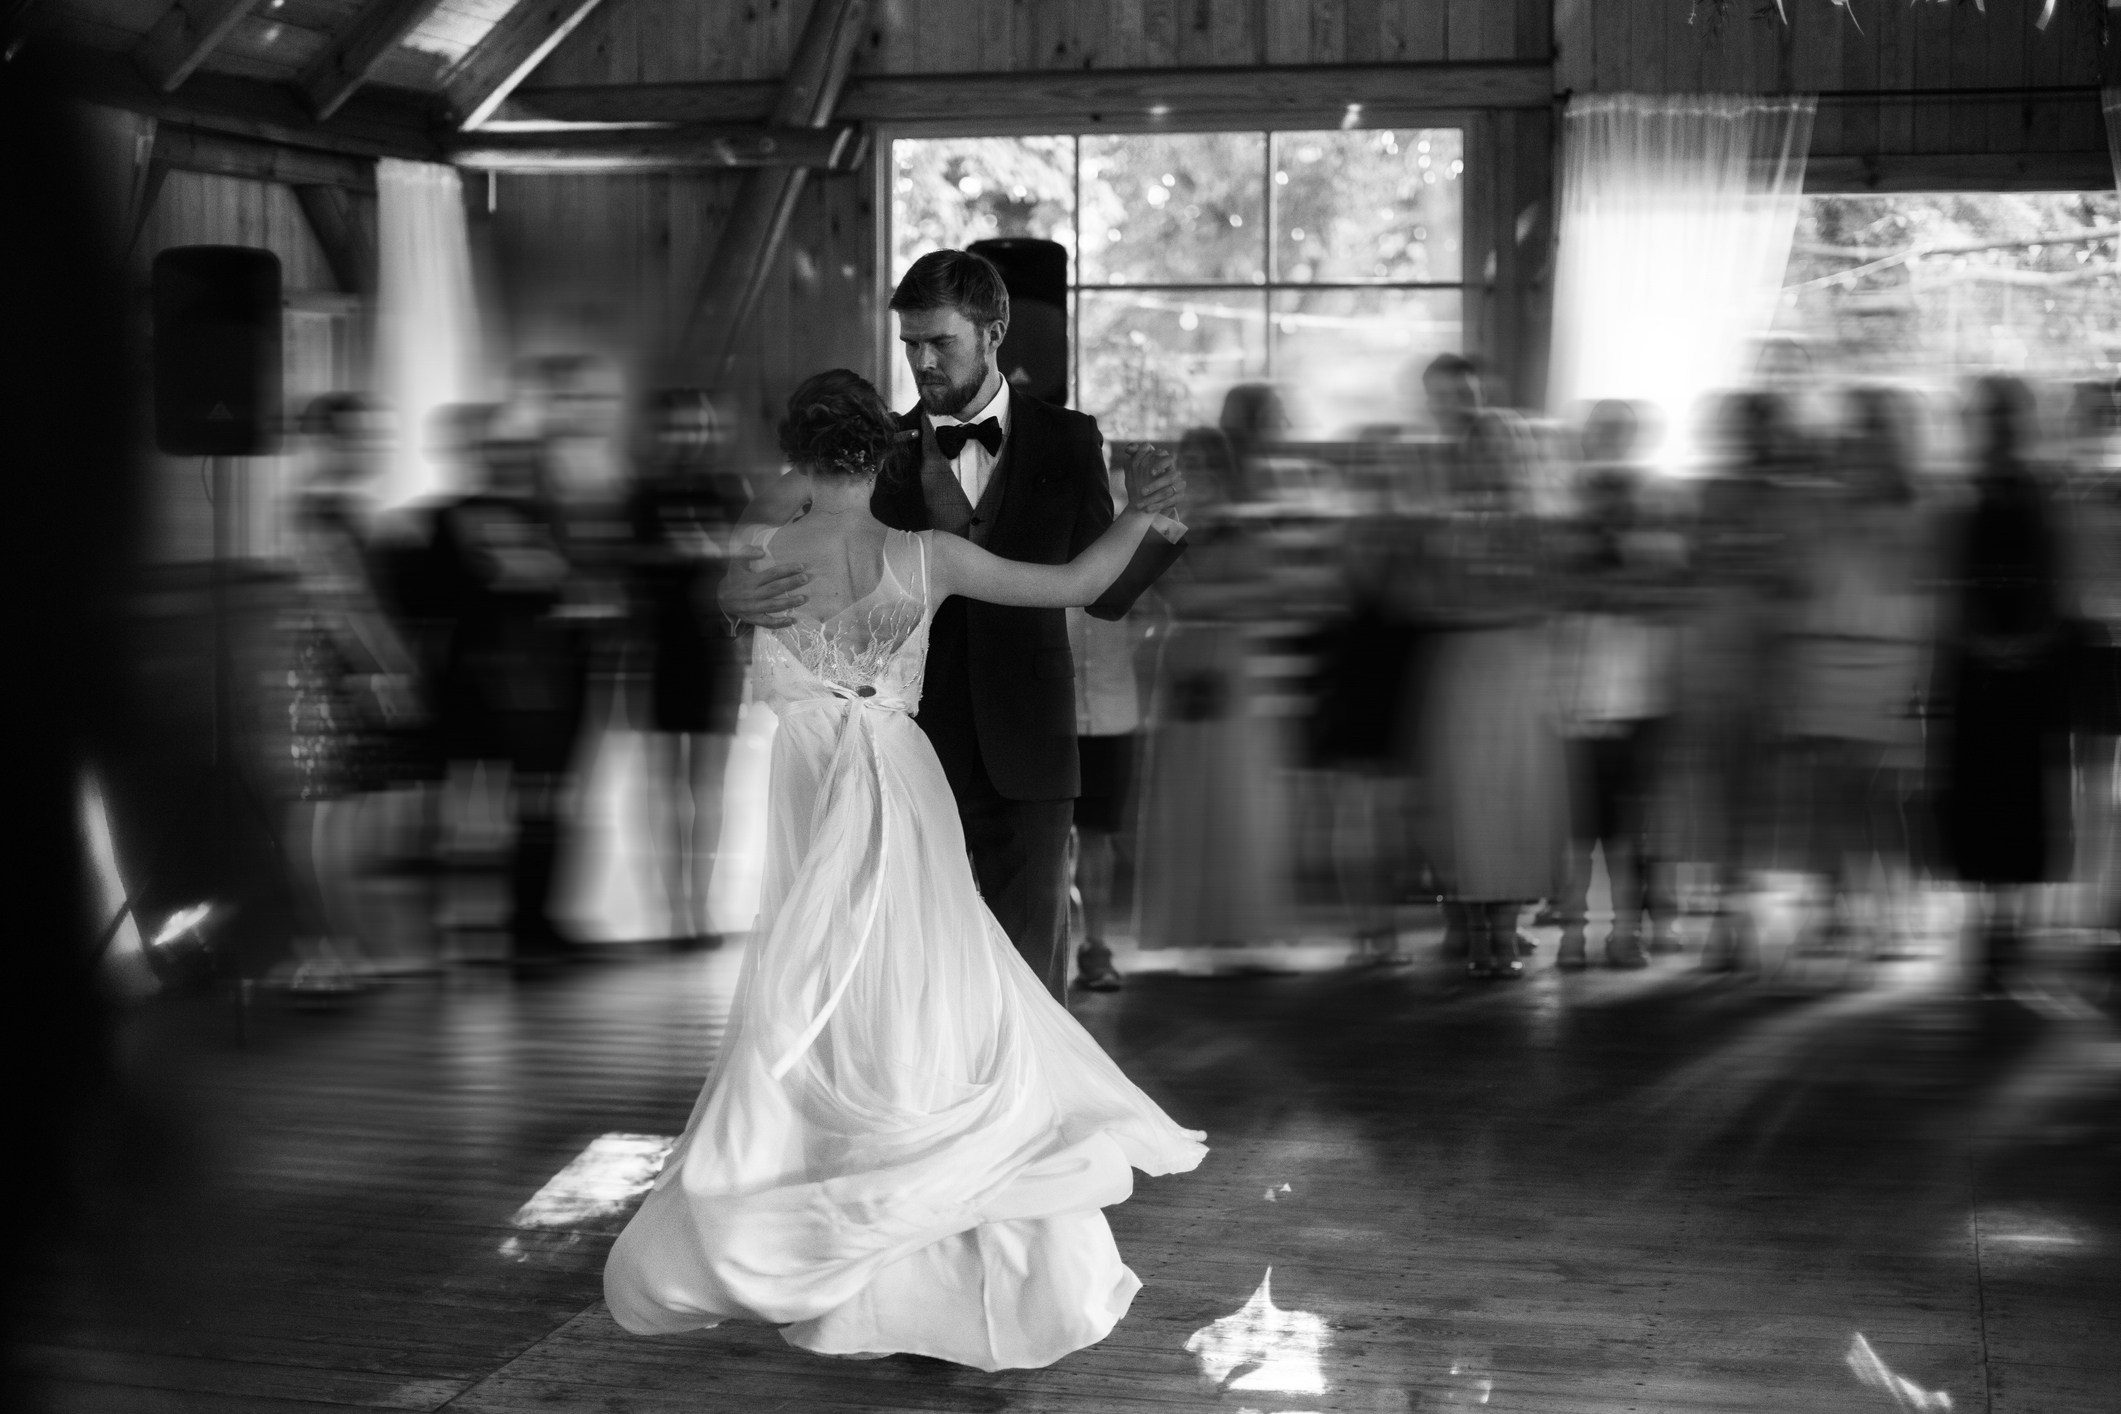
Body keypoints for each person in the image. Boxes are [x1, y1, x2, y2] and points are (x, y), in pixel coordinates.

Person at [603, 371, 1205, 1369]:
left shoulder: (757, 557)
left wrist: (720, 595)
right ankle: (949, 1234)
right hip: (901, 782)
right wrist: (1143, 510)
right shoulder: (924, 555)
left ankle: (852, 1239)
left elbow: (702, 603)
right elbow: (1077, 587)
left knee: (827, 1004)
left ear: (794, 452)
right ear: (885, 452)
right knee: (929, 991)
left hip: (810, 789)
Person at [719, 250, 1186, 999]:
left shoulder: (1069, 440)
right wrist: (732, 586)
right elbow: (758, 524)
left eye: (939, 341)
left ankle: (1030, 1110)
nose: (921, 360)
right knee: (910, 967)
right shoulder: (871, 446)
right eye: (910, 343)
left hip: (1029, 735)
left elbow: (1099, 594)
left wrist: (1153, 521)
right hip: (903, 748)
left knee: (1031, 965)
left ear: (993, 331)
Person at [1932, 376, 2073, 996]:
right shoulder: (1961, 491)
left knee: (2016, 796)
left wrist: (2029, 640)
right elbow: (1947, 580)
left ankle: (2008, 926)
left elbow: (2055, 577)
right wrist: (1981, 641)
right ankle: (1987, 925)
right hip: (1978, 663)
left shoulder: (2040, 491)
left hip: (2023, 665)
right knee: (1981, 794)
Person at [626, 389, 747, 944]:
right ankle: (674, 909)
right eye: (671, 427)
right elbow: (626, 571)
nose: (682, 437)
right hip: (656, 648)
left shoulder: (727, 490)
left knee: (708, 785)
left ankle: (699, 904)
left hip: (711, 650)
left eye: (691, 426)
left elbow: (745, 562)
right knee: (664, 784)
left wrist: (693, 552)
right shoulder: (640, 494)